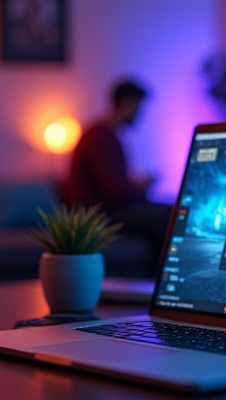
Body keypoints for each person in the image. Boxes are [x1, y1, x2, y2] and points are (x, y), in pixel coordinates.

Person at [63, 80, 172, 268]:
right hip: (99, 216)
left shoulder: (102, 134)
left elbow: (113, 184)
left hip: (105, 209)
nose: (141, 113)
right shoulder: (102, 138)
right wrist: (141, 186)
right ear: (128, 103)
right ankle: (161, 281)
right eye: (139, 106)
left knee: (169, 210)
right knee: (170, 216)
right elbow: (116, 192)